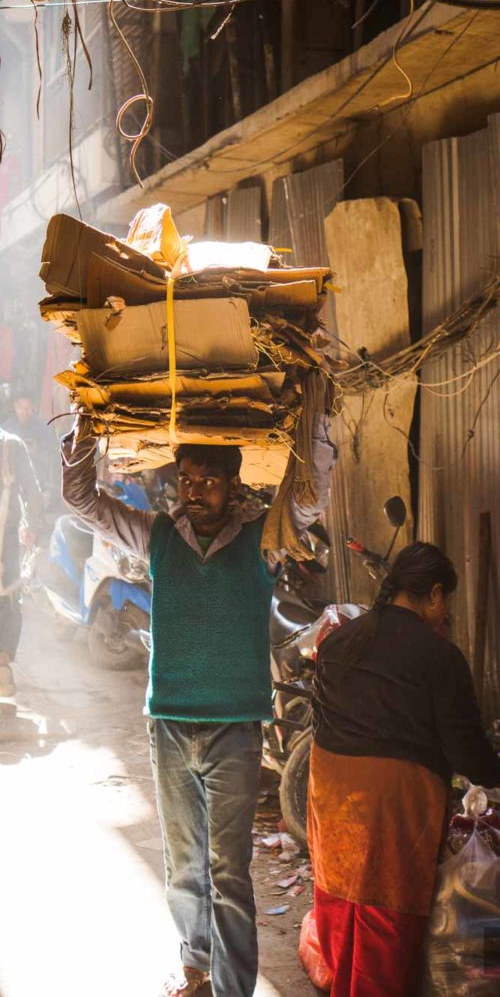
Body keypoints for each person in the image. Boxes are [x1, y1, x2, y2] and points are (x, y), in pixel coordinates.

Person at [61, 411, 336, 997]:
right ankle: (194, 967)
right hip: (169, 724)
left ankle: (232, 987)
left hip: (234, 729)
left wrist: (319, 419)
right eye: (186, 480)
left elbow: (310, 498)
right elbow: (82, 500)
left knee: (229, 872)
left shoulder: (263, 538)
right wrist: (84, 431)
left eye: (208, 480)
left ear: (233, 483)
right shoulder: (157, 533)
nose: (194, 491)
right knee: (184, 868)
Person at [309, 541, 500, 997]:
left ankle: (337, 980)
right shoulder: (440, 657)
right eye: (445, 600)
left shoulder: (340, 639)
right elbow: (467, 754)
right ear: (434, 595)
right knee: (384, 921)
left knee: (338, 904)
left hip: (329, 794)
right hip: (390, 808)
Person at [0, 427, 42, 697]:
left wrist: (30, 525)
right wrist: (32, 526)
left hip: (7, 541)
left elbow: (34, 495)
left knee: (8, 600)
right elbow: (34, 495)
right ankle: (3, 667)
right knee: (7, 602)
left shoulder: (10, 446)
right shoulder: (10, 445)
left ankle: (3, 668)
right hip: (6, 542)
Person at [3, 392, 57, 493]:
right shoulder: (6, 428)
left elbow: (51, 454)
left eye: (27, 408)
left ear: (33, 407)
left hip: (35, 475)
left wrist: (36, 451)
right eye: (21, 408)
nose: (24, 411)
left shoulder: (43, 428)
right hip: (11, 475)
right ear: (15, 406)